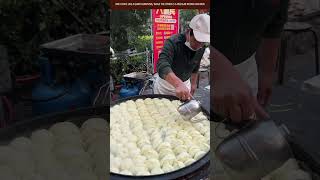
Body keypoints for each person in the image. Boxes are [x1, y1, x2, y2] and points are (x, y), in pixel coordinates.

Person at [212, 0, 289, 122]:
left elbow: (274, 26)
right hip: (201, 65)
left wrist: (267, 72)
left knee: (242, 129)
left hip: (246, 67)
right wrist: (217, 70)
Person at [154, 13, 210, 100]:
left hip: (185, 85)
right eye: (196, 41)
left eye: (202, 42)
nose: (199, 45)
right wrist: (178, 84)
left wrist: (193, 84)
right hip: (166, 86)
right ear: (189, 32)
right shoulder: (172, 42)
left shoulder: (202, 47)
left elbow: (195, 66)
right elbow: (162, 65)